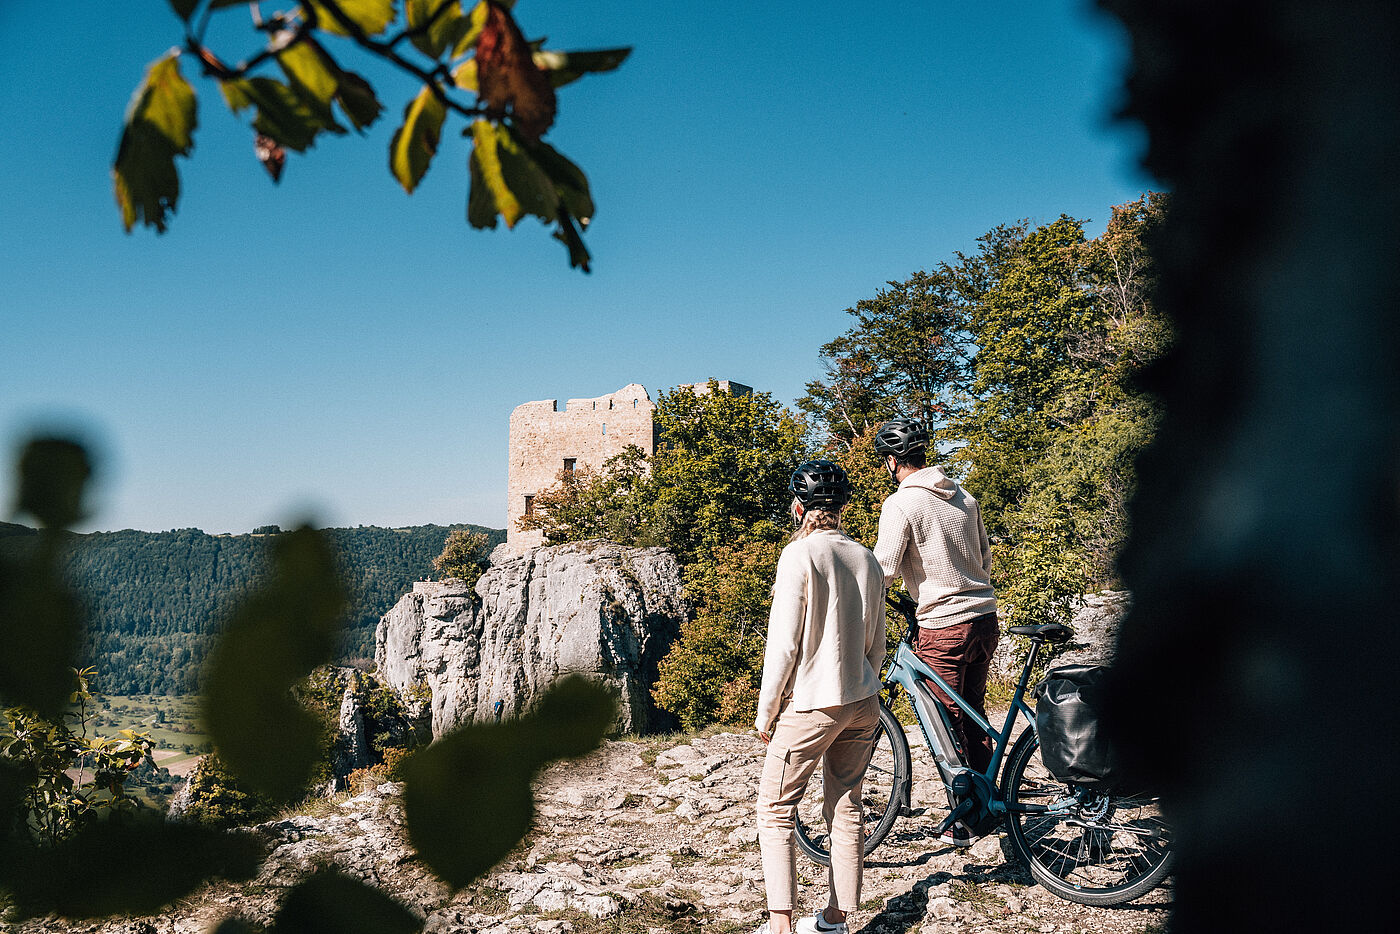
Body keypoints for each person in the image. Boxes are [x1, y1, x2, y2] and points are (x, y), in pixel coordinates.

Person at [753, 460, 887, 934]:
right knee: (846, 805)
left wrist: (766, 713)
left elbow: (784, 644)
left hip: (813, 703)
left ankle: (781, 925)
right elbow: (877, 645)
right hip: (863, 702)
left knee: (775, 807)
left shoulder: (799, 555)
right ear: (842, 506)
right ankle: (835, 919)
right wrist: (861, 687)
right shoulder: (866, 557)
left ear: (798, 507)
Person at [871, 417, 999, 845]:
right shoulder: (964, 495)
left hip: (944, 625)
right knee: (974, 715)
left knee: (945, 723)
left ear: (892, 462)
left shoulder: (901, 503)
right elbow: (984, 557)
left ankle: (966, 820)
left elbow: (882, 571)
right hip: (983, 617)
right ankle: (988, 805)